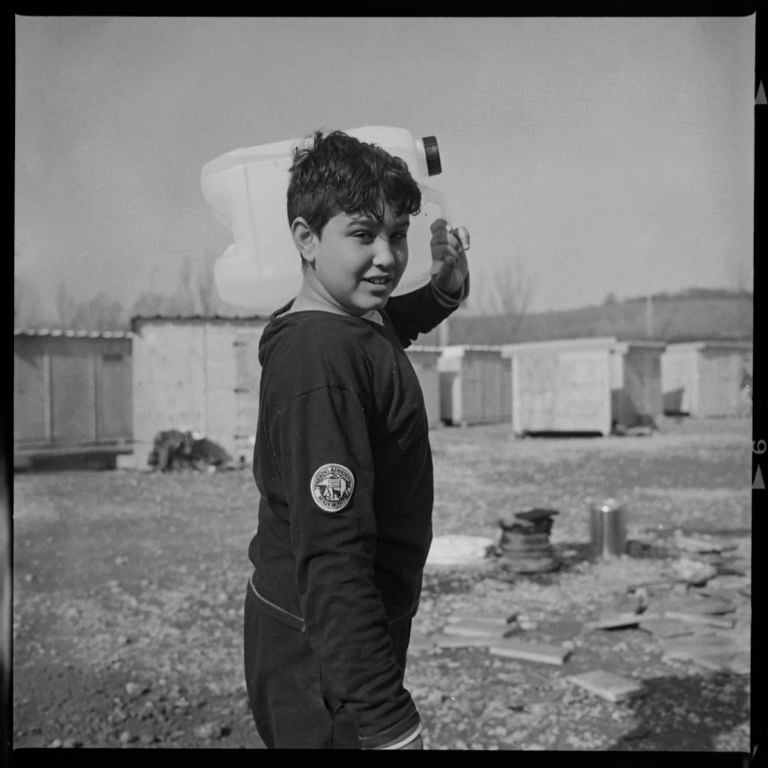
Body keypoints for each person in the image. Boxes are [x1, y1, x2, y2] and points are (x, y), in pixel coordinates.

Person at [243, 129, 470, 750]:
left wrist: (442, 294)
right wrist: (386, 718)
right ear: (306, 238)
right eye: (363, 235)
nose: (388, 257)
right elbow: (334, 556)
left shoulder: (341, 321)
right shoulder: (320, 365)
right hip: (322, 658)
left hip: (331, 638)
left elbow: (383, 329)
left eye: (397, 235)